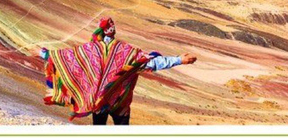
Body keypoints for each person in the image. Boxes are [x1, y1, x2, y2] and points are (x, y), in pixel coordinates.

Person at [40, 17, 197, 125]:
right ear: (113, 32)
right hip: (120, 103)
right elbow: (152, 63)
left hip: (99, 102)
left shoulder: (89, 51)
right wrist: (179, 59)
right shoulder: (127, 51)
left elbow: (65, 58)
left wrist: (43, 53)